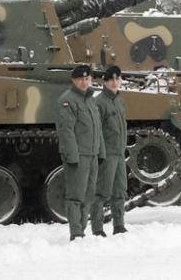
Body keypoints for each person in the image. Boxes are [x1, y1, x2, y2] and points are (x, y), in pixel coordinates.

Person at [56, 64, 105, 241]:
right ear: (73, 80)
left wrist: (101, 152)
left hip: (92, 154)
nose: (84, 82)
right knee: (76, 196)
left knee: (88, 195)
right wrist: (72, 155)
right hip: (78, 155)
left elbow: (98, 128)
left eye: (87, 79)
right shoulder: (67, 100)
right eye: (80, 79)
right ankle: (76, 232)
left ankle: (82, 230)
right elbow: (66, 131)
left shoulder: (90, 100)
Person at [91, 66, 128, 237]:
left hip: (119, 152)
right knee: (101, 192)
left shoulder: (119, 101)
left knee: (120, 191)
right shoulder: (99, 102)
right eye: (111, 79)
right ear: (105, 82)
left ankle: (119, 225)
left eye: (117, 78)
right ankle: (97, 228)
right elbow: (96, 130)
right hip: (107, 154)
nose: (114, 82)